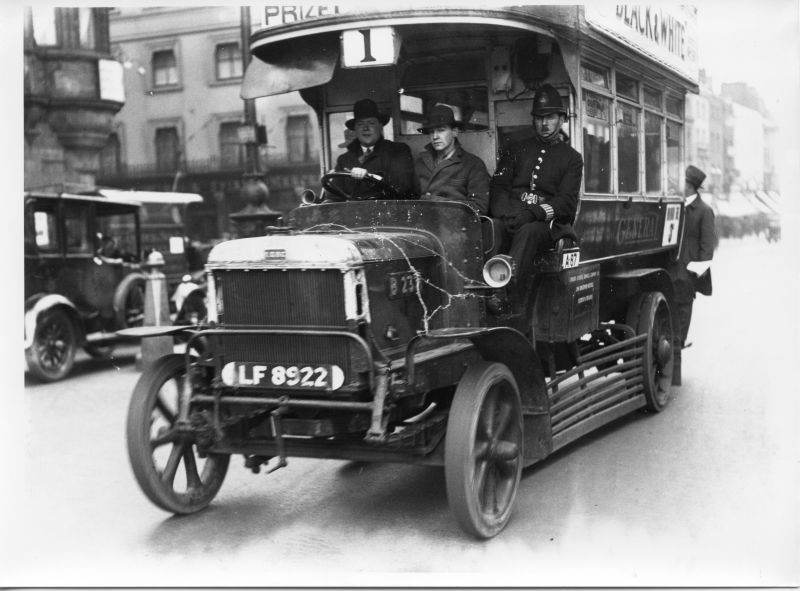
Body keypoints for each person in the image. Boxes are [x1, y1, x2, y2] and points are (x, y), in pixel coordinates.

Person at [488, 84, 583, 308]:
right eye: (539, 117)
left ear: (561, 119)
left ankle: (504, 294)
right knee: (492, 227)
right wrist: (508, 213)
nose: (544, 123)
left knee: (529, 231)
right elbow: (499, 187)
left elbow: (566, 202)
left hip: (547, 225)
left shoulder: (572, 158)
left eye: (550, 117)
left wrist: (534, 213)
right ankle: (480, 287)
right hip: (513, 215)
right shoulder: (515, 149)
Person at [671, 164, 716, 386]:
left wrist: (692, 272)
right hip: (670, 272)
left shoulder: (704, 211)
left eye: (683, 182)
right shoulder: (676, 206)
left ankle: (675, 378)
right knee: (670, 322)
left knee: (680, 325)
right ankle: (669, 372)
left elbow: (708, 249)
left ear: (689, 185)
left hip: (686, 277)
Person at [331, 98, 418, 200]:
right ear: (355, 129)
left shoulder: (398, 151)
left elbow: (403, 186)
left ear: (380, 126)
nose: (365, 128)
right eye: (360, 124)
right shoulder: (344, 160)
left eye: (371, 123)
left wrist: (371, 176)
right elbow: (334, 196)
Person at [414, 104, 489, 215]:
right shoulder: (420, 163)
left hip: (456, 228)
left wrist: (438, 203)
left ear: (455, 132)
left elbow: (480, 207)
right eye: (431, 131)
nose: (435, 136)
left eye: (441, 130)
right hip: (422, 226)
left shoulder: (473, 164)